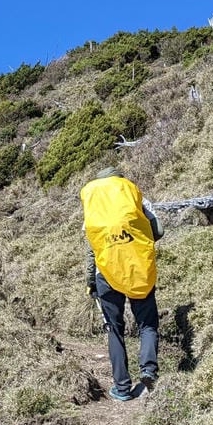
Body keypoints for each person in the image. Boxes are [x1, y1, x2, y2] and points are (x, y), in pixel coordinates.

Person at [81, 168, 163, 402]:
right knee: (147, 322)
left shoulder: (94, 206)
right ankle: (149, 370)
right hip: (138, 267)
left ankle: (122, 387)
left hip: (105, 273)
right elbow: (159, 230)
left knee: (114, 329)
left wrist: (90, 282)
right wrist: (136, 241)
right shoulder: (136, 197)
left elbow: (92, 250)